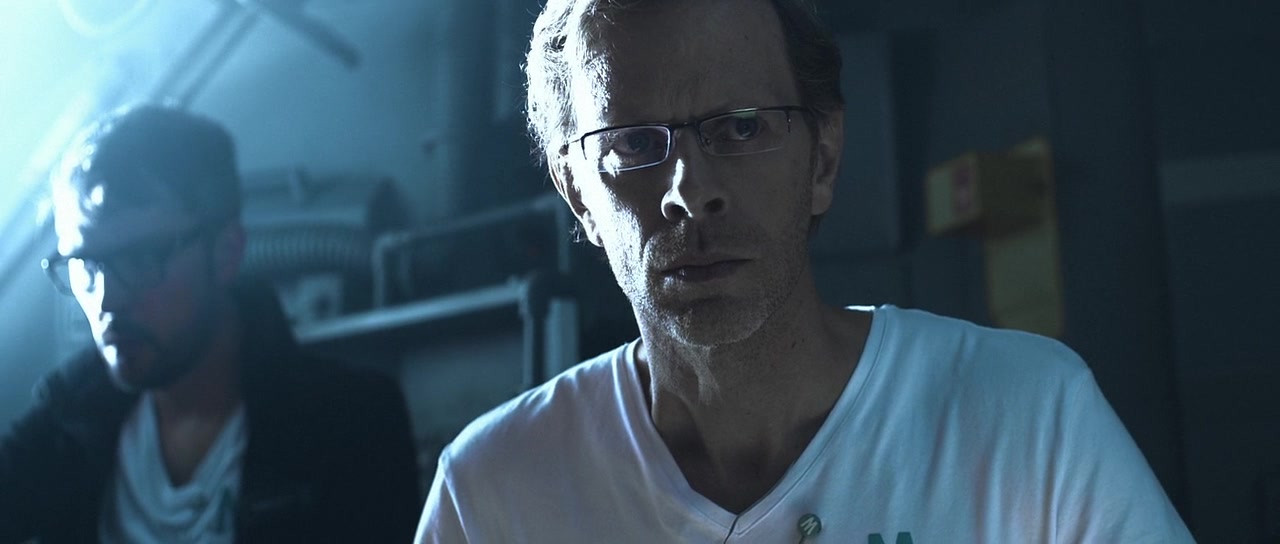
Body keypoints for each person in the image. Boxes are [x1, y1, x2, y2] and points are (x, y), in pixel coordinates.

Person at [416, 0, 1196, 542]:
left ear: (822, 158)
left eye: (740, 127)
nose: (691, 190)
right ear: (579, 196)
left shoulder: (1029, 417)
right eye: (634, 145)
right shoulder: (492, 493)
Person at [0, 104, 421, 543]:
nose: (108, 298)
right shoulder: (65, 422)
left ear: (225, 253)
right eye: (86, 264)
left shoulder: (349, 424)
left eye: (142, 259)